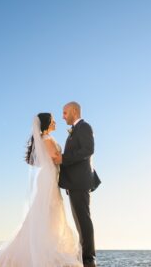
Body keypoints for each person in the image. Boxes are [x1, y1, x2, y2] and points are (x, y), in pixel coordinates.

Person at [0, 113, 83, 267]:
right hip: (48, 178)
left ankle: (46, 243)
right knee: (49, 210)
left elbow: (44, 160)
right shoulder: (47, 139)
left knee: (46, 211)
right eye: (53, 120)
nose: (56, 122)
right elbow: (56, 157)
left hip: (48, 176)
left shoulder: (43, 139)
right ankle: (45, 249)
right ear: (47, 123)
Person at [54, 102, 101, 267]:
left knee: (84, 220)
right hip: (74, 184)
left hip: (80, 182)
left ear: (74, 111)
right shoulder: (74, 131)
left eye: (65, 112)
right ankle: (84, 256)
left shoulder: (85, 127)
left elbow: (88, 149)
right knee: (80, 221)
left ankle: (89, 259)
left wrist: (63, 158)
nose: (63, 116)